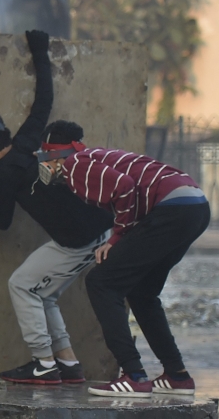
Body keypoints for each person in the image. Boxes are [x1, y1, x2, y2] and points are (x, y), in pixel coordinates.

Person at [0, 30, 114, 385]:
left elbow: (1, 221)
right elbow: (44, 98)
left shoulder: (5, 176)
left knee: (20, 285)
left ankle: (44, 363)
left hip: (76, 242)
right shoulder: (26, 142)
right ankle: (68, 364)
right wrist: (39, 50)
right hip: (99, 231)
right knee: (43, 293)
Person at [36, 120, 209, 397]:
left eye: (45, 157)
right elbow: (133, 191)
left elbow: (124, 187)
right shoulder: (96, 156)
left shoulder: (75, 164)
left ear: (54, 155)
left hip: (172, 208)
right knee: (142, 292)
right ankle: (177, 376)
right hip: (195, 206)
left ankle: (134, 376)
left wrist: (117, 238)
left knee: (101, 282)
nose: (44, 165)